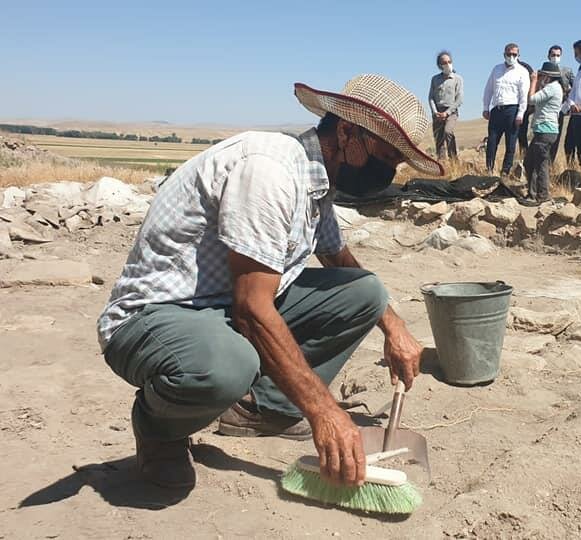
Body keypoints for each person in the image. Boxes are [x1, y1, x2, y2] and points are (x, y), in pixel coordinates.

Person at [97, 74, 444, 489]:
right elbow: (252, 311)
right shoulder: (271, 172)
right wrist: (324, 411)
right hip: (159, 317)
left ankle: (263, 411)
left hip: (222, 308)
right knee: (230, 366)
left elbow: (339, 258)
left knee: (366, 292)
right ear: (348, 132)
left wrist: (395, 326)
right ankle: (158, 429)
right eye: (387, 158)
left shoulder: (316, 180)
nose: (389, 172)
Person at [483, 43, 530, 176]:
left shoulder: (522, 72)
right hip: (497, 109)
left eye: (514, 54)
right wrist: (486, 107)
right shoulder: (496, 69)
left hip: (512, 110)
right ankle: (489, 169)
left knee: (510, 143)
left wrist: (521, 113)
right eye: (509, 54)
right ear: (504, 54)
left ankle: (505, 171)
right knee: (492, 141)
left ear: (518, 55)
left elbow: (523, 95)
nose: (511, 56)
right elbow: (488, 89)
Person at [524, 62, 564, 202]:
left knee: (539, 164)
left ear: (548, 76)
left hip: (545, 129)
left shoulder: (552, 88)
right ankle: (534, 193)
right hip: (544, 129)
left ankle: (542, 195)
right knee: (531, 162)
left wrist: (534, 81)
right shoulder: (553, 88)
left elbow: (531, 99)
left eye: (542, 75)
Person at [428, 50, 463, 160]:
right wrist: (435, 112)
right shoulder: (435, 79)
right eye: (445, 62)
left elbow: (459, 99)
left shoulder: (457, 79)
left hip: (451, 111)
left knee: (448, 132)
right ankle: (441, 163)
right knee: (438, 138)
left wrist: (447, 113)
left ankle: (454, 160)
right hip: (437, 111)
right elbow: (431, 97)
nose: (448, 64)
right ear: (440, 65)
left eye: (449, 61)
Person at [547, 45, 576, 162]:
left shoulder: (566, 71)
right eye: (553, 55)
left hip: (560, 109)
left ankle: (550, 164)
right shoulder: (543, 71)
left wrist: (569, 103)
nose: (555, 57)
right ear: (548, 56)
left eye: (558, 55)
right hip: (545, 109)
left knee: (555, 137)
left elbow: (576, 88)